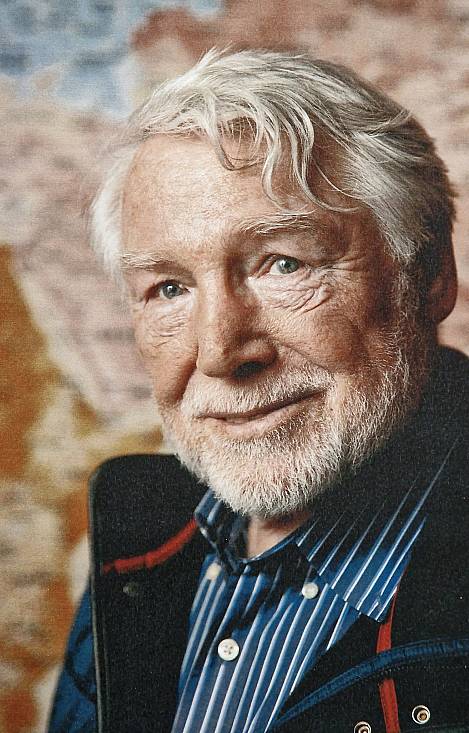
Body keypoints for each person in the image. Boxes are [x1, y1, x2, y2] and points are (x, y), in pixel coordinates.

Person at [48, 49, 469, 733]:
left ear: (427, 277)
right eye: (169, 288)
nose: (219, 352)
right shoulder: (136, 540)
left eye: (283, 263)